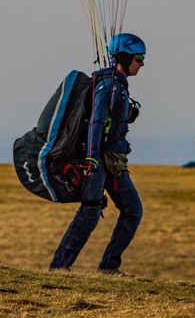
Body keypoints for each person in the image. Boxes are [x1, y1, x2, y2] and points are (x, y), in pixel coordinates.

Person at [49, 33, 146, 276]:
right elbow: (96, 121)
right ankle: (58, 269)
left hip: (113, 161)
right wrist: (91, 157)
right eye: (138, 58)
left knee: (133, 210)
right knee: (90, 211)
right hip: (98, 159)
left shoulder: (118, 86)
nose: (142, 63)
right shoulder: (109, 86)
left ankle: (109, 267)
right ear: (125, 58)